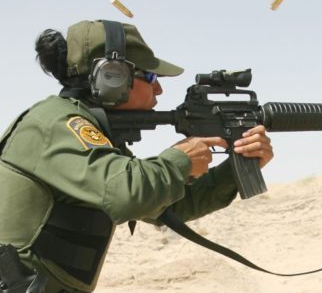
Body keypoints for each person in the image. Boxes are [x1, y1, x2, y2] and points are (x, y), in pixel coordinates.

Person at [0, 20, 273, 293]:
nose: (159, 90)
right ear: (112, 76)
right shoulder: (55, 124)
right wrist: (180, 159)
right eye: (152, 78)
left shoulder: (91, 134)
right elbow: (127, 195)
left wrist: (236, 168)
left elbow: (170, 207)